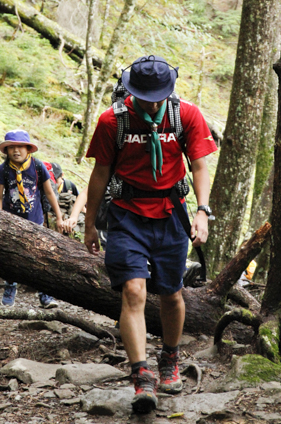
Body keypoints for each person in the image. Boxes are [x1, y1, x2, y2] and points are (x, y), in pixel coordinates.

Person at [84, 55, 217, 414]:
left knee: (172, 295)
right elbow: (100, 172)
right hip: (126, 214)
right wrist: (90, 223)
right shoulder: (113, 120)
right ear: (131, 90)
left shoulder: (185, 115)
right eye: (146, 95)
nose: (154, 101)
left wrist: (203, 212)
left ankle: (170, 360)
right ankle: (142, 374)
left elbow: (200, 165)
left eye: (160, 95)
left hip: (172, 213)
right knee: (133, 290)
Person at [0, 130, 64, 308]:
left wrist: (59, 217)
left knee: (39, 257)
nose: (15, 151)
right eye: (11, 147)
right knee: (10, 256)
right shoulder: (4, 169)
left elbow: (49, 192)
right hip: (11, 221)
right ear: (6, 150)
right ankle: (10, 286)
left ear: (28, 150)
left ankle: (44, 293)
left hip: (35, 221)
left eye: (20, 147)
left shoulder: (38, 166)